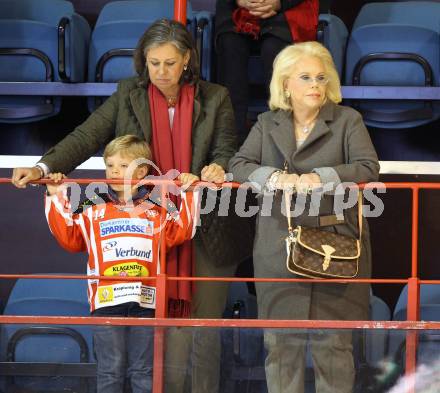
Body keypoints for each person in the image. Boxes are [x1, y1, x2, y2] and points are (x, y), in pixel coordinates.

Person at [11, 18, 250, 393]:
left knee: (203, 329)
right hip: (145, 224)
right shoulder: (128, 93)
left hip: (206, 226)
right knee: (160, 334)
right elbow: (87, 135)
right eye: (154, 63)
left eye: (170, 63)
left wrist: (216, 169)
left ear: (187, 59)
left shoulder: (215, 96)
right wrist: (44, 167)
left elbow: (225, 149)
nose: (161, 72)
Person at [229, 41, 380, 393]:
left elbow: (368, 167)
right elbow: (238, 166)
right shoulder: (267, 123)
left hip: (337, 247)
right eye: (306, 77)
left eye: (321, 78)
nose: (316, 85)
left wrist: (320, 178)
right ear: (285, 84)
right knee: (281, 350)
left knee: (335, 351)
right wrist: (273, 177)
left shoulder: (348, 120)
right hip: (279, 249)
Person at [45, 135, 200, 393]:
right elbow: (70, 238)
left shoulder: (157, 208)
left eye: (123, 165)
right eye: (110, 165)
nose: (115, 171)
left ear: (142, 171)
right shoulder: (91, 206)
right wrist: (54, 194)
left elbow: (182, 230)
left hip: (146, 303)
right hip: (105, 304)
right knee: (110, 371)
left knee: (143, 372)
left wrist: (190, 191)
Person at [215, 0, 319, 144]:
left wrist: (279, 3)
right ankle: (230, 140)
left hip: (286, 12)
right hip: (236, 12)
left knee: (275, 50)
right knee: (231, 46)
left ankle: (283, 135)